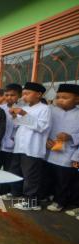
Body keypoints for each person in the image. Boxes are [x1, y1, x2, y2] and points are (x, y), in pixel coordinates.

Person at [9, 82, 51, 211]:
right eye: (24, 94)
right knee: (22, 174)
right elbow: (20, 124)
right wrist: (15, 116)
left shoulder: (45, 108)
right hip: (21, 147)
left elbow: (42, 127)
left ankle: (32, 202)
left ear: (38, 94)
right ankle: (24, 197)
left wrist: (23, 113)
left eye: (27, 93)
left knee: (31, 177)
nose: (24, 96)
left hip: (33, 148)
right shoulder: (27, 107)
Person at [44, 84, 79, 212]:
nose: (60, 100)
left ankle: (59, 202)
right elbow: (44, 128)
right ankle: (48, 195)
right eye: (58, 97)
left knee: (63, 180)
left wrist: (71, 136)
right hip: (50, 151)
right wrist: (45, 140)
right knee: (48, 176)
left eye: (65, 97)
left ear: (77, 99)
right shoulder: (50, 110)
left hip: (68, 154)